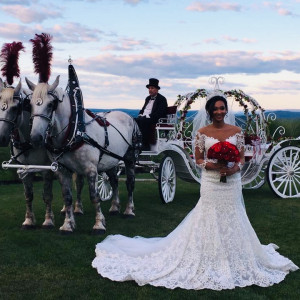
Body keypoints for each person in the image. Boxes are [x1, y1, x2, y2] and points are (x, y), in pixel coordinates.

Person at [92, 92, 298, 290]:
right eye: (215, 109)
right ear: (209, 111)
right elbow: (198, 158)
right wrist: (212, 165)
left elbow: (241, 157)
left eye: (222, 108)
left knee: (233, 213)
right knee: (208, 215)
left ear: (226, 110)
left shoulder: (236, 132)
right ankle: (207, 252)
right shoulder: (202, 133)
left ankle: (234, 252)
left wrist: (235, 168)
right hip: (211, 180)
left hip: (232, 181)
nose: (219, 111)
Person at [135, 78, 168, 150]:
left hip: (156, 118)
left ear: (157, 89)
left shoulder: (162, 99)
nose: (150, 90)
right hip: (145, 117)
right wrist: (140, 114)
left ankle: (145, 144)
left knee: (144, 121)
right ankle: (135, 142)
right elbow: (143, 109)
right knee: (134, 120)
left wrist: (148, 116)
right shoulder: (147, 98)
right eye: (149, 88)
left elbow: (160, 112)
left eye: (152, 88)